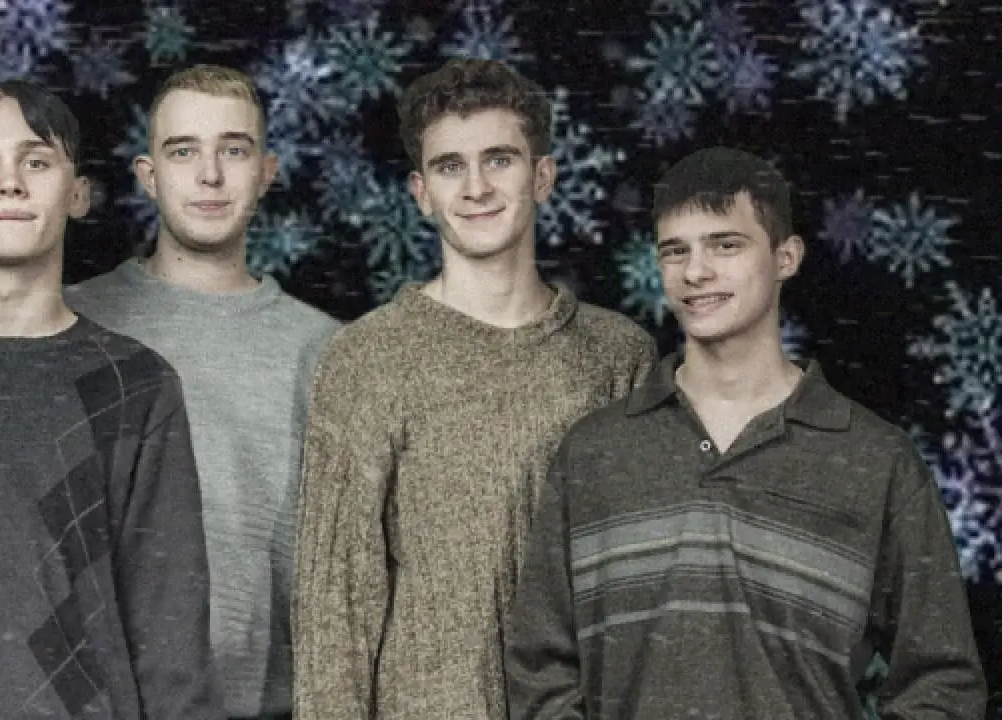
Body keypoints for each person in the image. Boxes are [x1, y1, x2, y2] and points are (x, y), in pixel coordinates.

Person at [0, 64, 339, 720]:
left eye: (36, 162)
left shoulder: (162, 375)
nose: (10, 183)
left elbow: (195, 629)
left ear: (78, 193)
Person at [502, 147, 987, 719]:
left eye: (725, 245)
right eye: (675, 251)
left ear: (786, 257)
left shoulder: (877, 461)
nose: (695, 272)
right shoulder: (593, 454)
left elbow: (941, 684)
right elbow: (540, 670)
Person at [291, 58, 657, 720]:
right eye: (449, 166)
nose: (476, 187)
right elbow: (335, 607)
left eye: (499, 160)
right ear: (421, 192)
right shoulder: (367, 360)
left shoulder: (617, 357)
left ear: (542, 176)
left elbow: (646, 588)